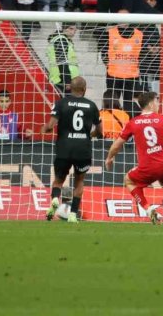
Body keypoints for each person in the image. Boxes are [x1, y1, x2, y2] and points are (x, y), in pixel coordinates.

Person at [104, 91, 163, 226]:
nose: (158, 104)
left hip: (148, 166)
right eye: (156, 101)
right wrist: (161, 143)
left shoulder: (133, 122)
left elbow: (117, 144)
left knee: (128, 180)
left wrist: (109, 158)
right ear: (150, 103)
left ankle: (149, 210)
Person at [40, 76, 101, 223]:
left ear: (69, 88)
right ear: (84, 90)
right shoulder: (92, 106)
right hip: (83, 148)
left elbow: (51, 125)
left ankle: (55, 199)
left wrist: (44, 129)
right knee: (79, 181)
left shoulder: (61, 103)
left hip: (64, 147)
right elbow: (99, 131)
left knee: (59, 180)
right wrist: (87, 135)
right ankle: (73, 214)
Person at [47, 23, 80, 94]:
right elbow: (62, 61)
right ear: (63, 29)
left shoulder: (64, 40)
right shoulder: (61, 40)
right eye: (71, 29)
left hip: (61, 77)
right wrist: (67, 81)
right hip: (62, 79)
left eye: (75, 29)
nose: (73, 31)